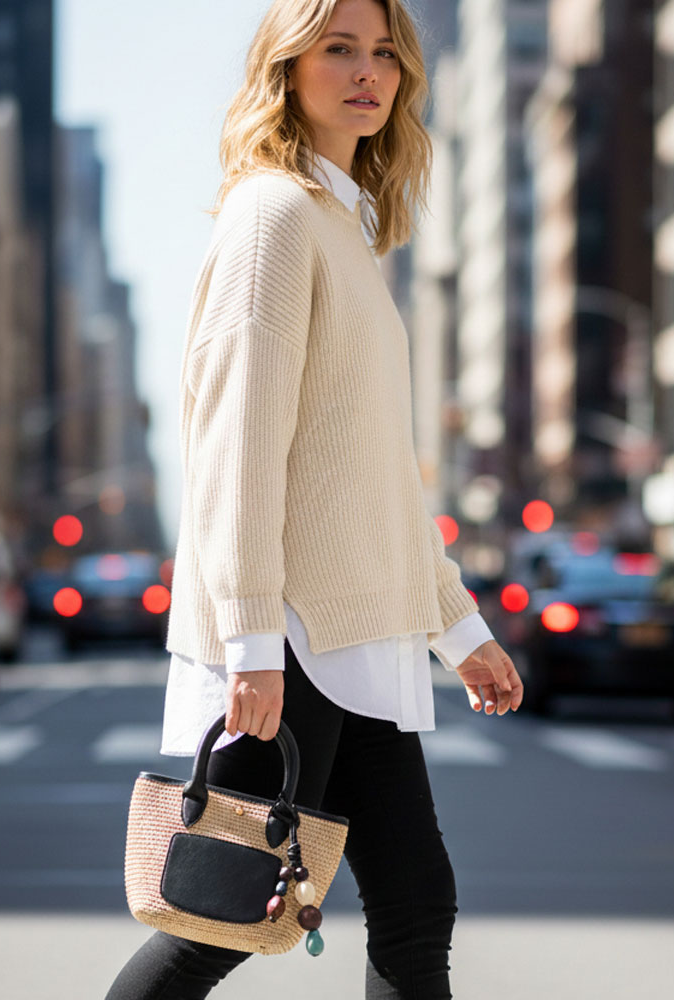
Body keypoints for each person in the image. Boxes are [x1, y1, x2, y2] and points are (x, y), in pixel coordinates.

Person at [105, 1, 524, 997]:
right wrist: (248, 641)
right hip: (294, 631)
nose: (366, 70)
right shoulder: (274, 216)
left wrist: (458, 626)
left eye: (384, 52)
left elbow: (371, 471)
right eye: (338, 48)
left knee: (415, 902)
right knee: (217, 914)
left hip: (358, 632)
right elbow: (235, 450)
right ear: (286, 67)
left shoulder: (342, 223)